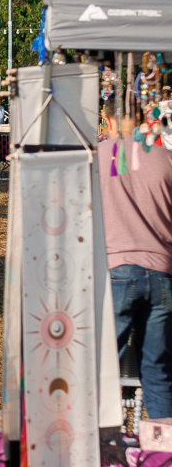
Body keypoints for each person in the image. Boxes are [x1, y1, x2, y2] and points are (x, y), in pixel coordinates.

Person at [99, 96, 172, 418]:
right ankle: (163, 451)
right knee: (158, 372)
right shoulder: (166, 159)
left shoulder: (96, 158)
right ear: (142, 118)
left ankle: (99, 445)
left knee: (100, 371)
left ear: (109, 120)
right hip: (162, 275)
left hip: (115, 271)